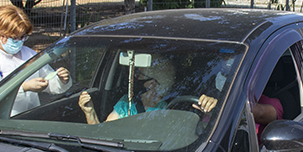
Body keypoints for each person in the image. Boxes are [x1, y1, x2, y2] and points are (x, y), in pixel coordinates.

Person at [0, 5, 70, 115]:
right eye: (15, 37)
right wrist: (23, 88)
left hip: (26, 119)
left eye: (23, 37)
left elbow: (50, 82)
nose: (20, 41)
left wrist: (61, 80)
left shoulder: (28, 53)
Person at [78, 58, 217, 124]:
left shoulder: (169, 111)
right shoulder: (127, 104)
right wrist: (90, 112)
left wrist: (211, 112)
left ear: (151, 83)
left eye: (139, 75)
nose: (135, 78)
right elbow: (103, 135)